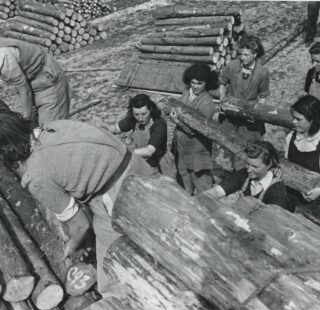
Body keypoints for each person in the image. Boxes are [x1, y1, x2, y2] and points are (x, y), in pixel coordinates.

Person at [0, 110, 154, 294]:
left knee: (111, 279)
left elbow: (81, 225)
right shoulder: (55, 125)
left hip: (118, 195)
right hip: (138, 166)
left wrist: (73, 246)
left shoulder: (37, 176)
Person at [219, 34, 270, 170]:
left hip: (249, 116)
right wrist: (221, 100)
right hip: (231, 113)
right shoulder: (233, 65)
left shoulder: (262, 72)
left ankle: (244, 173)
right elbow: (222, 82)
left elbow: (263, 96)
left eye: (246, 55)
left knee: (247, 146)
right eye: (241, 54)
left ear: (255, 54)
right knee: (230, 144)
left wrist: (257, 112)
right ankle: (233, 172)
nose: (242, 57)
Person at [170, 62, 219, 195]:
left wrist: (177, 121)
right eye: (193, 82)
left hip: (198, 151)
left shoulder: (207, 103)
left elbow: (196, 130)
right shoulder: (186, 92)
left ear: (207, 83)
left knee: (204, 190)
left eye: (200, 83)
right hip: (181, 148)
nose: (196, 86)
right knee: (183, 188)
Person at [0, 37, 70, 126]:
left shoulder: (3, 57)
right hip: (25, 80)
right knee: (17, 123)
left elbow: (25, 92)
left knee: (51, 129)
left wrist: (26, 121)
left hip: (45, 80)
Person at [205, 140, 292, 211]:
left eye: (255, 166)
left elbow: (276, 221)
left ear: (268, 165)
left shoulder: (277, 190)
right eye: (247, 163)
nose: (249, 169)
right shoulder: (245, 174)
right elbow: (217, 191)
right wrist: (198, 201)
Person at [108, 94, 167, 174]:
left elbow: (149, 151)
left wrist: (123, 153)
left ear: (151, 110)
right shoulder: (133, 119)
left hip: (157, 164)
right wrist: (99, 129)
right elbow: (116, 128)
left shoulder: (159, 124)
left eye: (143, 114)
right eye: (136, 114)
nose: (140, 118)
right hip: (139, 160)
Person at [285, 95, 320, 205]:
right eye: (293, 118)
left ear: (312, 120)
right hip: (292, 194)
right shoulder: (291, 137)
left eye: (299, 119)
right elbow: (287, 167)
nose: (294, 122)